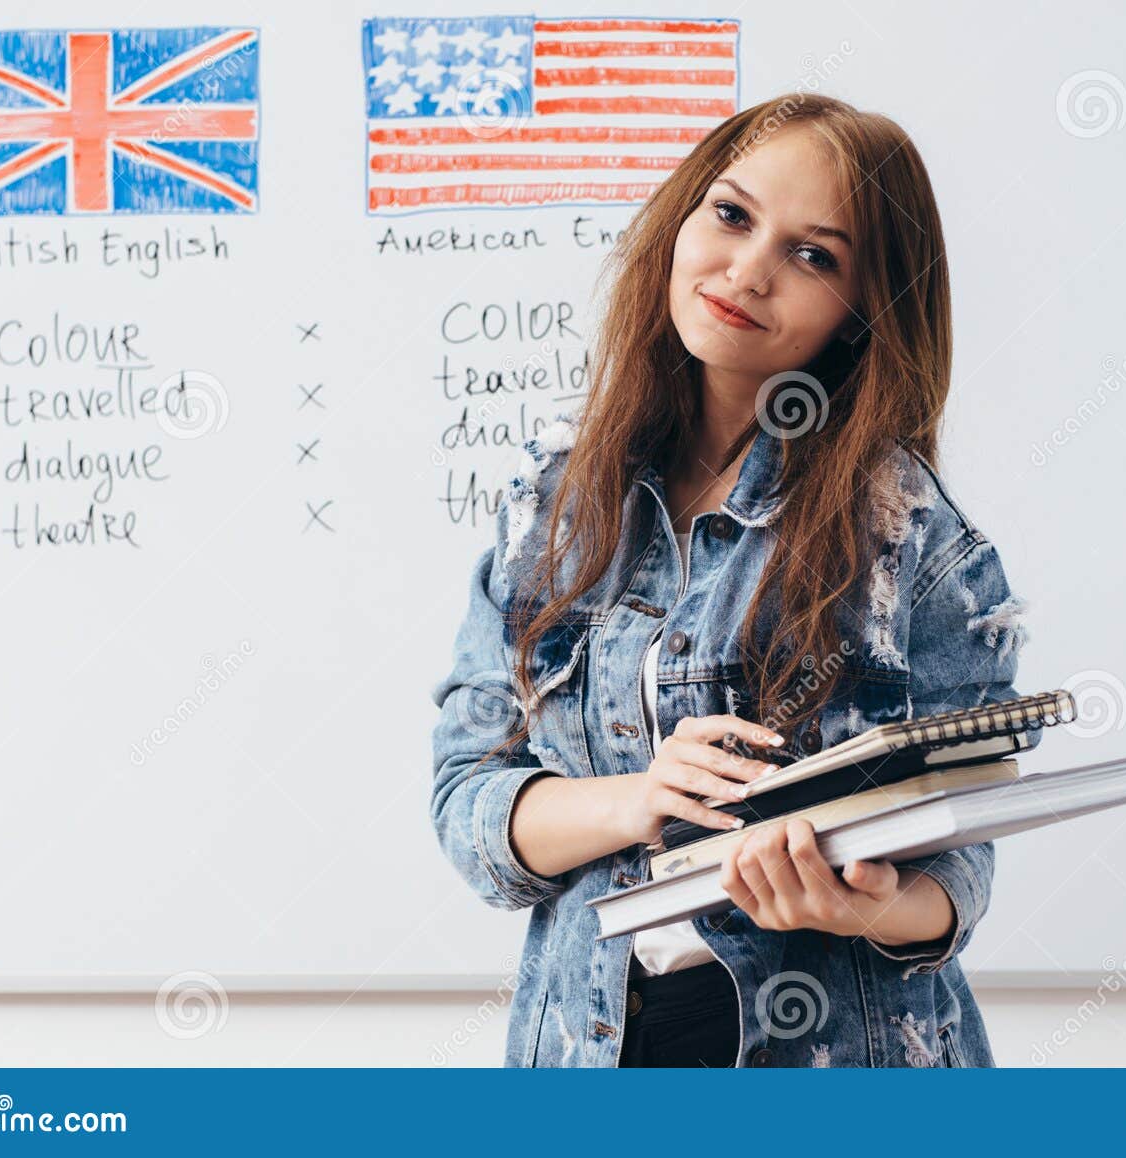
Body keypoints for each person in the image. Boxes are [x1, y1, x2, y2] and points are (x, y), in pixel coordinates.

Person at [430, 92, 1037, 1067]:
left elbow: (957, 864)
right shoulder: (555, 504)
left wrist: (868, 905)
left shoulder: (908, 533)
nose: (749, 272)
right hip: (589, 1048)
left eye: (814, 256)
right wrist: (641, 798)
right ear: (683, 217)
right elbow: (469, 802)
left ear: (861, 310)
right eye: (731, 215)